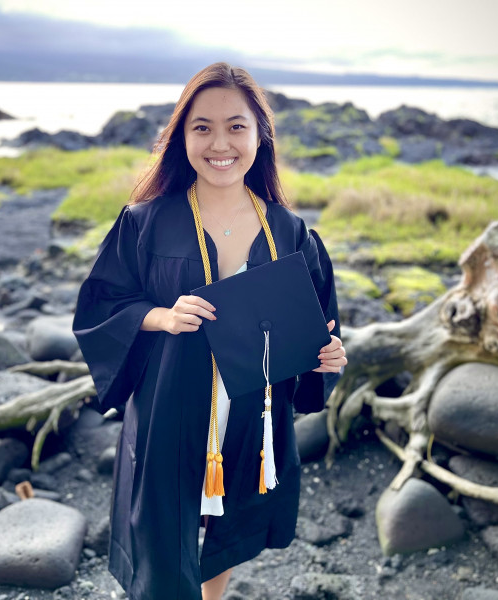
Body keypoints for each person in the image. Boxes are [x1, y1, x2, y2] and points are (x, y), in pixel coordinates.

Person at [72, 62, 347, 600]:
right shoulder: (145, 222)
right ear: (182, 137)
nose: (220, 142)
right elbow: (102, 303)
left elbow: (318, 331)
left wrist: (328, 359)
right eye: (202, 127)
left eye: (236, 126)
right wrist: (161, 317)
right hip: (170, 403)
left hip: (251, 410)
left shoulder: (291, 234)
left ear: (260, 135)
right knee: (164, 532)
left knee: (230, 524)